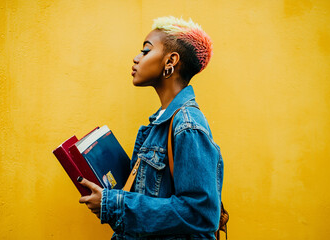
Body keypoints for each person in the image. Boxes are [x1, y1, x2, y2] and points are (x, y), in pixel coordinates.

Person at [78, 16, 224, 240]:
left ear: (171, 60)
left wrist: (113, 204)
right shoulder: (160, 122)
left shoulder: (187, 124)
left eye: (145, 51)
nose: (136, 58)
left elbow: (200, 214)